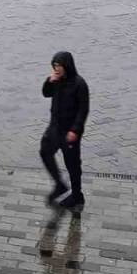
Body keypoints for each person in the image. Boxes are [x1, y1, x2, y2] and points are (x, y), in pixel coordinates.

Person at [40, 51, 89, 213]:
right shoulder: (56, 81)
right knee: (45, 152)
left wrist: (75, 130)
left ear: (67, 66)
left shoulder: (79, 84)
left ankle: (77, 195)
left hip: (70, 131)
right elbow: (46, 93)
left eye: (59, 66)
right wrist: (49, 81)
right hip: (55, 128)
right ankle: (59, 184)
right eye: (54, 66)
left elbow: (83, 110)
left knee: (72, 164)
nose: (57, 69)